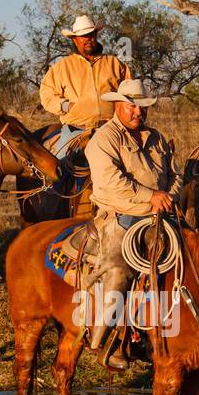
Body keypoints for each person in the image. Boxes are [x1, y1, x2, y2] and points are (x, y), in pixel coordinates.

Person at [83, 78, 182, 369]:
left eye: (142, 107)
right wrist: (152, 195)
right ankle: (106, 340)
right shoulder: (103, 139)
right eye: (131, 107)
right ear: (117, 105)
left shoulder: (157, 138)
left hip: (161, 214)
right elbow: (111, 182)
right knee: (120, 271)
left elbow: (176, 174)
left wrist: (168, 197)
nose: (138, 112)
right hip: (121, 215)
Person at [39, 13, 129, 156]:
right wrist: (66, 106)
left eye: (91, 35)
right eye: (84, 36)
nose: (89, 39)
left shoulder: (115, 64)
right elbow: (47, 95)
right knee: (61, 165)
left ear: (96, 35)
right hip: (76, 129)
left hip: (112, 128)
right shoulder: (62, 67)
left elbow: (130, 93)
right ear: (75, 40)